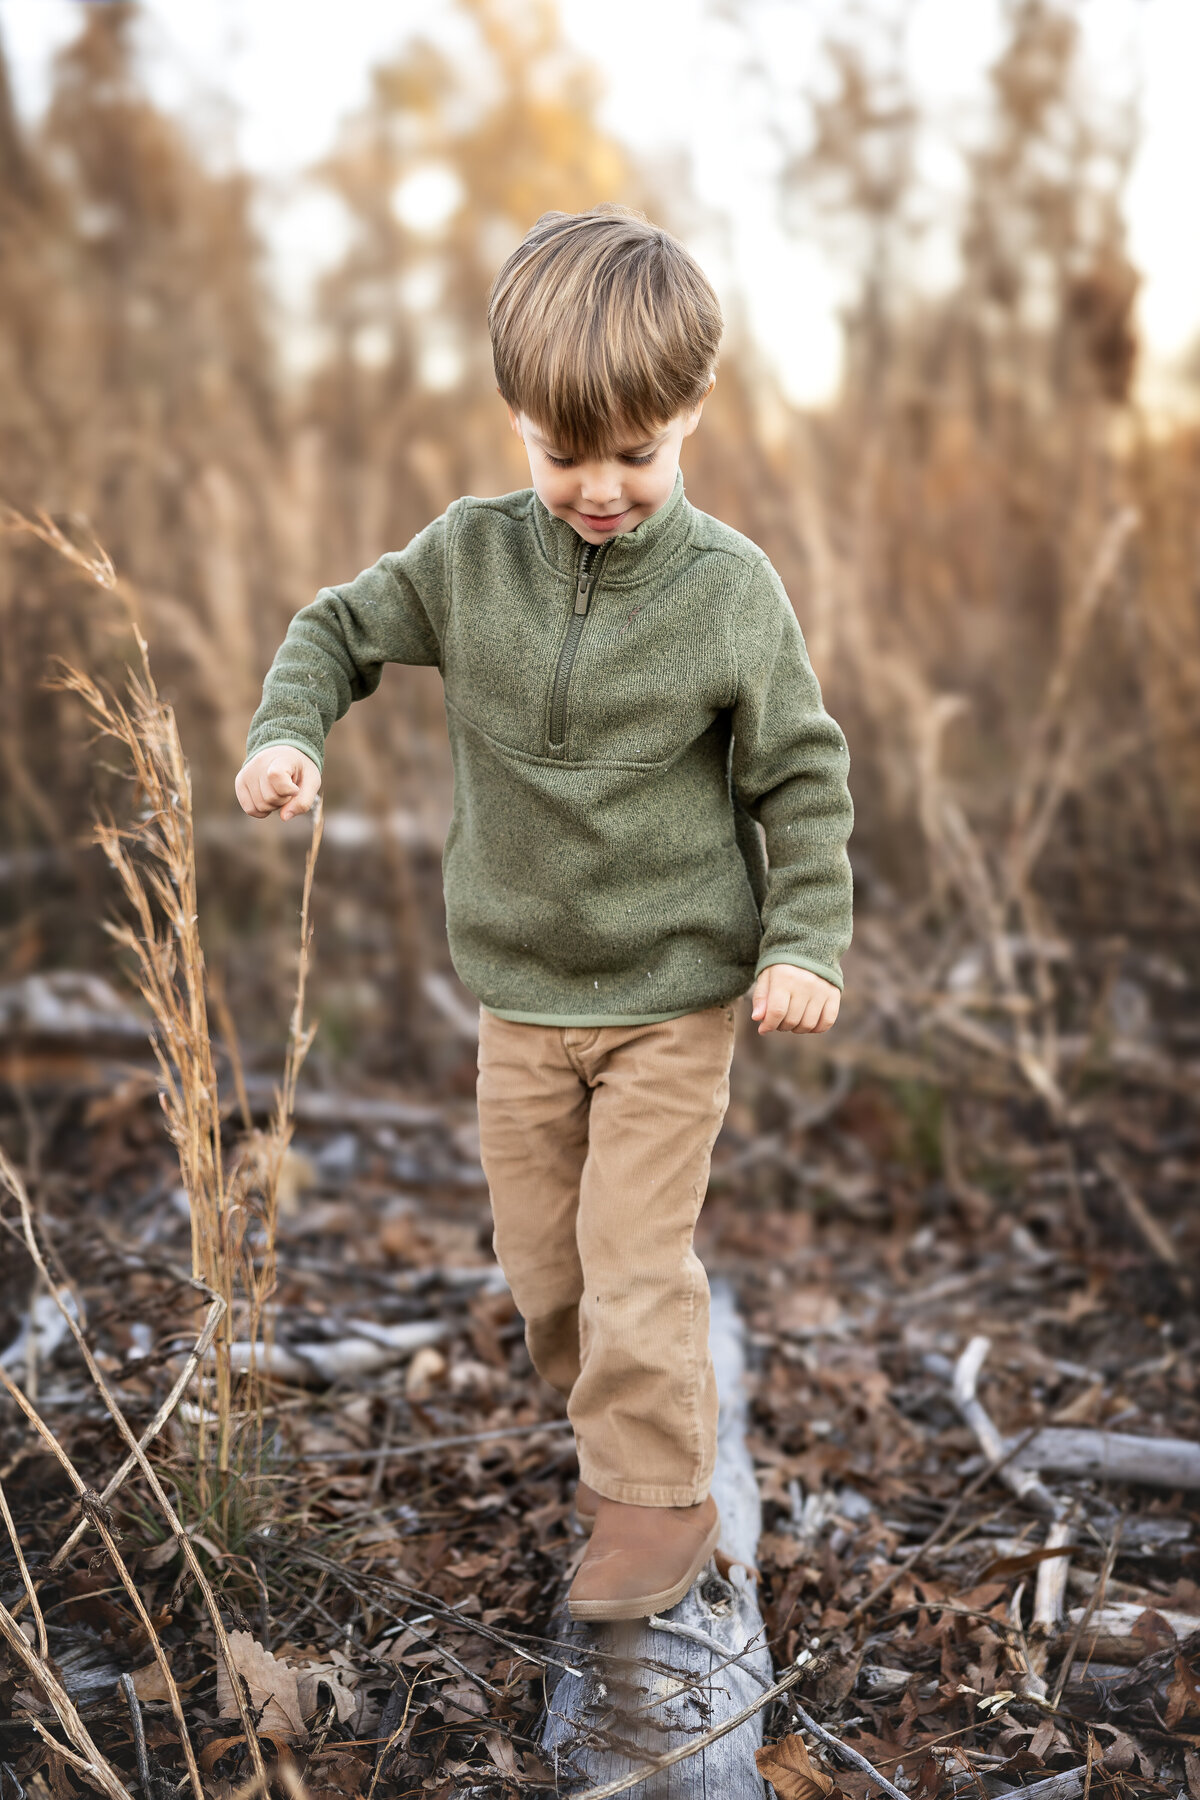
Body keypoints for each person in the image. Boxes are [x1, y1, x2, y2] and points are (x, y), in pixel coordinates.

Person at [236, 204, 853, 1623]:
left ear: (693, 413)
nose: (597, 487)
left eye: (635, 453)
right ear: (514, 417)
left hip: (672, 1000)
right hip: (522, 997)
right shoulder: (469, 560)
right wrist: (291, 732)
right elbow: (335, 627)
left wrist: (805, 939)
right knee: (545, 1273)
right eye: (562, 451)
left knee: (636, 1259)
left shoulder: (728, 593)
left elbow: (803, 780)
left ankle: (657, 1501)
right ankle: (620, 1442)